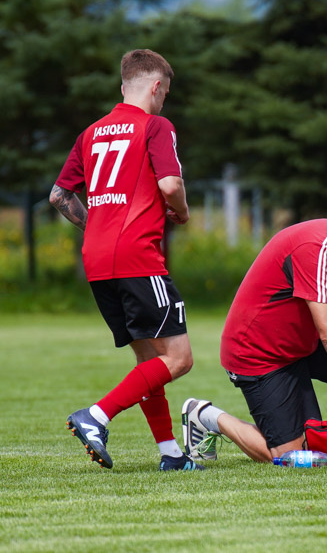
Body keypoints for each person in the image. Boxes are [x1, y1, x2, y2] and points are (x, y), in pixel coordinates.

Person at [50, 49, 200, 472]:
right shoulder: (156, 125)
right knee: (178, 358)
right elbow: (170, 184)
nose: (164, 101)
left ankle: (171, 455)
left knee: (148, 362)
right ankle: (95, 416)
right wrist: (183, 213)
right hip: (139, 258)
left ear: (122, 87)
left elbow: (59, 196)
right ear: (156, 87)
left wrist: (98, 228)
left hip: (97, 261)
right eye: (165, 93)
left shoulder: (91, 132)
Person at [181, 205, 327, 463]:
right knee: (295, 457)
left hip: (303, 345)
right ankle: (206, 416)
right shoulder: (315, 247)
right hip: (259, 355)